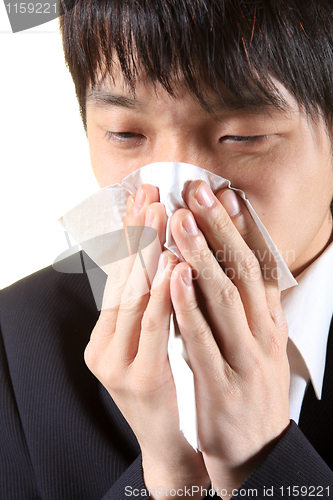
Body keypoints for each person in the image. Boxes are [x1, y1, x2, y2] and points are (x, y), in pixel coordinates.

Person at [1, 0, 333, 498]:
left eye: (242, 137)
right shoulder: (17, 343)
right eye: (125, 134)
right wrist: (171, 480)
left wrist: (264, 460)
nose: (176, 199)